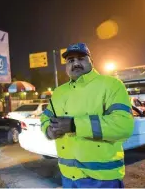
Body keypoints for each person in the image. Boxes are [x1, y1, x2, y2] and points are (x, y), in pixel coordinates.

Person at [40, 43, 134, 188]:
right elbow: (45, 117)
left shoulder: (112, 85)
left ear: (91, 61)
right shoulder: (59, 92)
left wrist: (73, 125)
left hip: (102, 179)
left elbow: (123, 125)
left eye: (81, 58)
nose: (76, 63)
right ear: (66, 66)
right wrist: (48, 130)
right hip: (68, 177)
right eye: (71, 60)